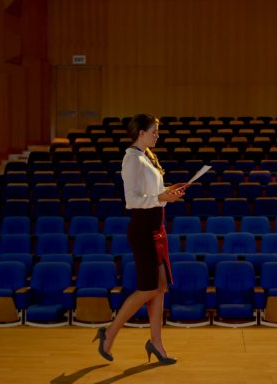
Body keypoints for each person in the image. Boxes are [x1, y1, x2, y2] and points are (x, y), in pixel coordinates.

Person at [93, 114, 188, 365]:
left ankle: (156, 342)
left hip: (157, 226)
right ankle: (109, 333)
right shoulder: (131, 159)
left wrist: (168, 193)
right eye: (154, 131)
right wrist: (161, 198)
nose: (157, 134)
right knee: (148, 288)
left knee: (161, 287)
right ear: (141, 132)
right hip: (144, 229)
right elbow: (132, 200)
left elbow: (151, 193)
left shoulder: (147, 157)